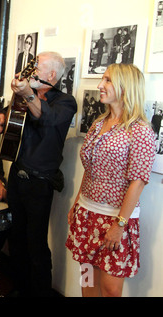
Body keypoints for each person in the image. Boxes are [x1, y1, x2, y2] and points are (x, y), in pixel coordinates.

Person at [66, 63, 156, 297]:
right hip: (86, 213)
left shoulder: (140, 130)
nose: (100, 86)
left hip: (115, 219)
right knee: (87, 280)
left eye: (107, 80)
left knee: (111, 290)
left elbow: (138, 181)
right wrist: (77, 203)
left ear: (125, 87)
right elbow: (90, 168)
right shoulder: (98, 124)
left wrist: (120, 225)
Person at [0, 51, 77, 297]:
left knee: (36, 244)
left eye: (36, 67)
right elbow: (11, 116)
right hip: (17, 176)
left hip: (39, 183)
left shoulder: (65, 102)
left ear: (51, 74)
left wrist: (26, 93)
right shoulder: (23, 97)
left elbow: (46, 118)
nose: (31, 72)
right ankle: (20, 289)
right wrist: (1, 117)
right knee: (16, 239)